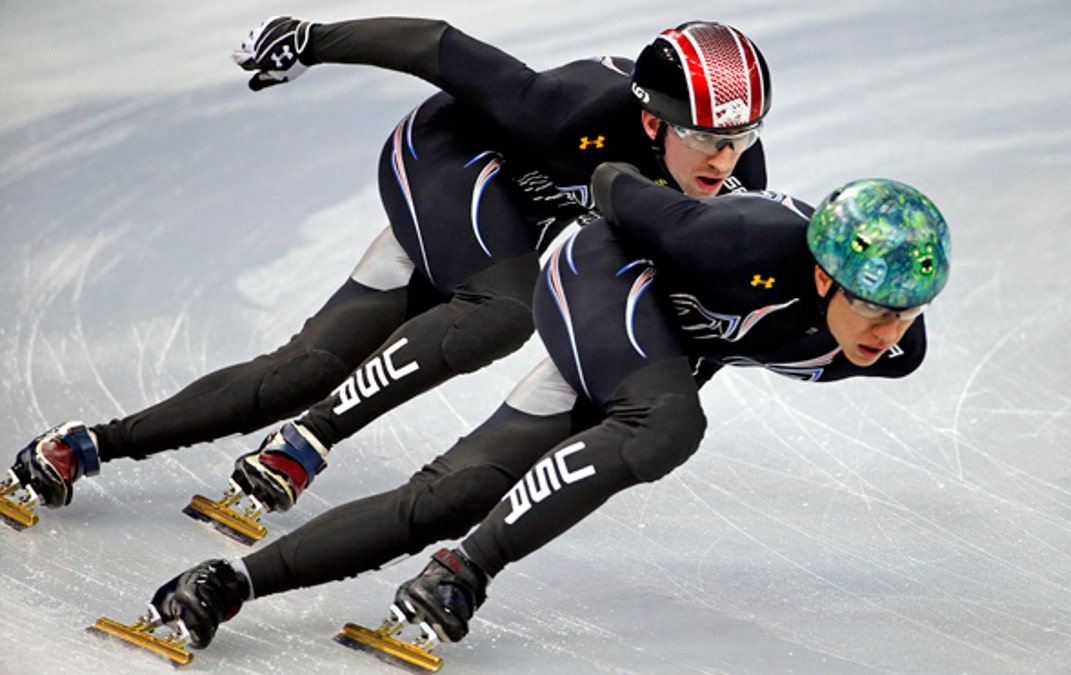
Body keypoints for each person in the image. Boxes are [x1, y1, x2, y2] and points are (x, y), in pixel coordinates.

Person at [139, 163, 951, 654]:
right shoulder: (737, 238)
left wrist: (666, 357)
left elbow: (730, 337)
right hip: (602, 276)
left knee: (456, 492)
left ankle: (222, 583)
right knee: (667, 424)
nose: (890, 332)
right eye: (877, 310)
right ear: (820, 278)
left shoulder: (889, 351)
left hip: (654, 352)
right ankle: (463, 572)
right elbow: (611, 188)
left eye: (909, 313)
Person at [1, 16, 772, 526]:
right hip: (450, 159)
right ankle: (311, 436)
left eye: (742, 137)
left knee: (301, 369)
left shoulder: (730, 176)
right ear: (649, 120)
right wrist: (308, 38)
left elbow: (693, 300)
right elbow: (437, 45)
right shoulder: (565, 109)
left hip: (504, 222)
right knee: (506, 306)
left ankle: (88, 442)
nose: (724, 157)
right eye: (705, 136)